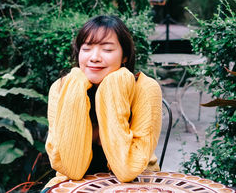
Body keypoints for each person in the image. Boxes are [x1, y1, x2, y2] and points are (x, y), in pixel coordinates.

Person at [42, 15, 162, 191]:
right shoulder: (61, 89)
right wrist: (76, 85)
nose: (94, 57)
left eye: (107, 49)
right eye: (87, 48)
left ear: (125, 56)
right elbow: (71, 169)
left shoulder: (145, 88)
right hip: (73, 184)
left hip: (137, 183)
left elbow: (127, 169)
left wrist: (113, 87)